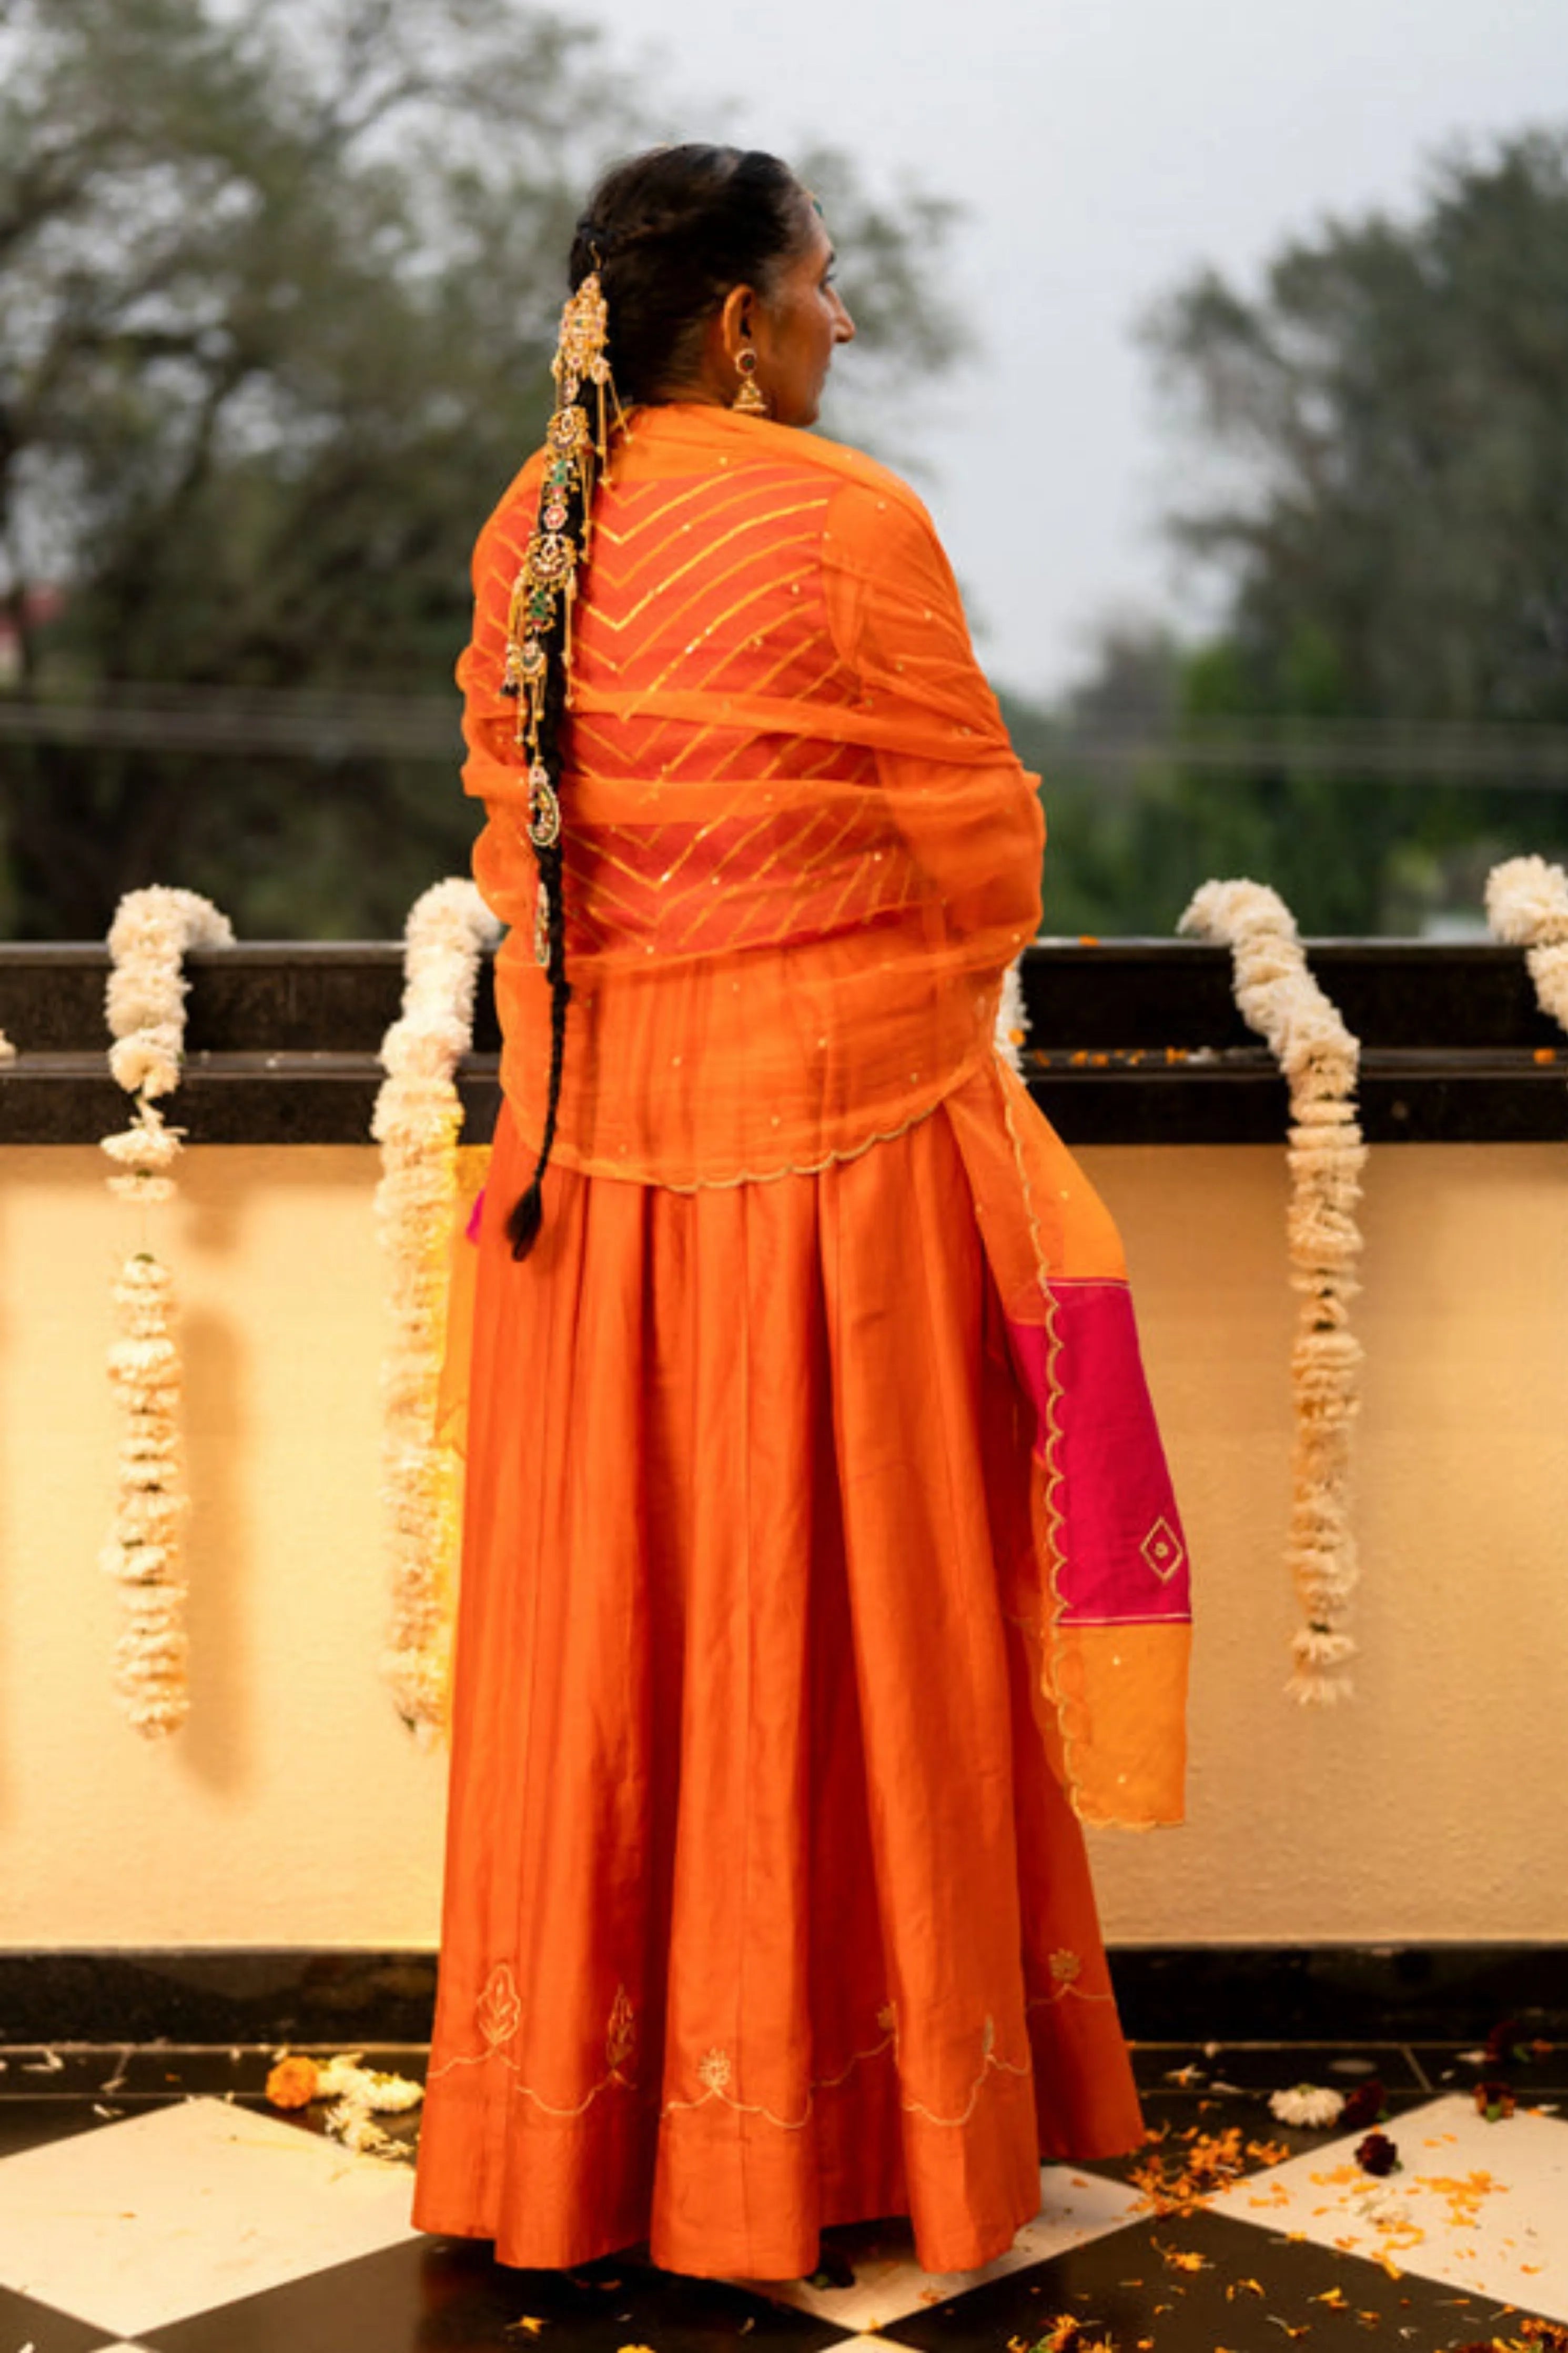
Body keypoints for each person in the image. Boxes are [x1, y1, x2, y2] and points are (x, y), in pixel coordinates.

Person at [411, 142, 1189, 2286]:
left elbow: (527, 848)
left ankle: (588, 2148)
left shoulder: (535, 520)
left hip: (585, 1187)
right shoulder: (850, 520)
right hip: (837, 1177)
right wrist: (848, 990)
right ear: (743, 324)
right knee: (847, 1635)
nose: (843, 319)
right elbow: (981, 855)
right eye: (825, 283)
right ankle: (861, 2126)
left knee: (624, 1641)